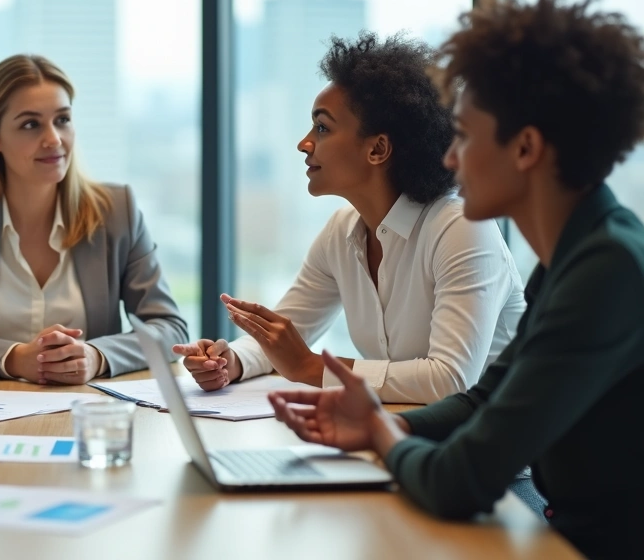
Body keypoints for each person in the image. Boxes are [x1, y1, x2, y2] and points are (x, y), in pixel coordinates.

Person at [268, 0, 644, 560]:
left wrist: (383, 436)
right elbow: (481, 401)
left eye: (464, 136)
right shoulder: (577, 255)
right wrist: (374, 419)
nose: (448, 158)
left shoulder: (608, 271)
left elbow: (460, 479)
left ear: (525, 148)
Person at [176, 33, 526, 404]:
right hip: (406, 438)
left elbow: (450, 378)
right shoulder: (343, 231)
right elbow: (286, 335)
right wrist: (230, 361)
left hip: (491, 456)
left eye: (322, 128)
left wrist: (311, 368)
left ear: (377, 149)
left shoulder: (460, 229)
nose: (304, 143)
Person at [0, 54, 187, 382]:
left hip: (87, 408)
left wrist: (96, 356)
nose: (54, 139)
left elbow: (169, 328)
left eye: (62, 120)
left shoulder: (116, 210)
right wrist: (11, 358)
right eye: (31, 124)